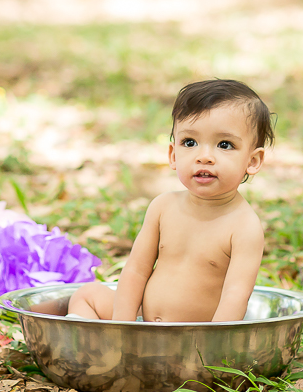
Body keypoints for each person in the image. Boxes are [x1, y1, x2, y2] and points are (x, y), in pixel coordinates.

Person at [67, 79, 273, 322]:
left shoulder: (244, 227)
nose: (204, 157)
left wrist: (210, 349)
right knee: (87, 294)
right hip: (143, 322)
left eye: (224, 144)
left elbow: (235, 296)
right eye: (190, 142)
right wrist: (122, 326)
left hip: (192, 337)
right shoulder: (163, 207)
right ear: (173, 155)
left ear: (252, 161)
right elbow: (135, 270)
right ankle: (96, 347)